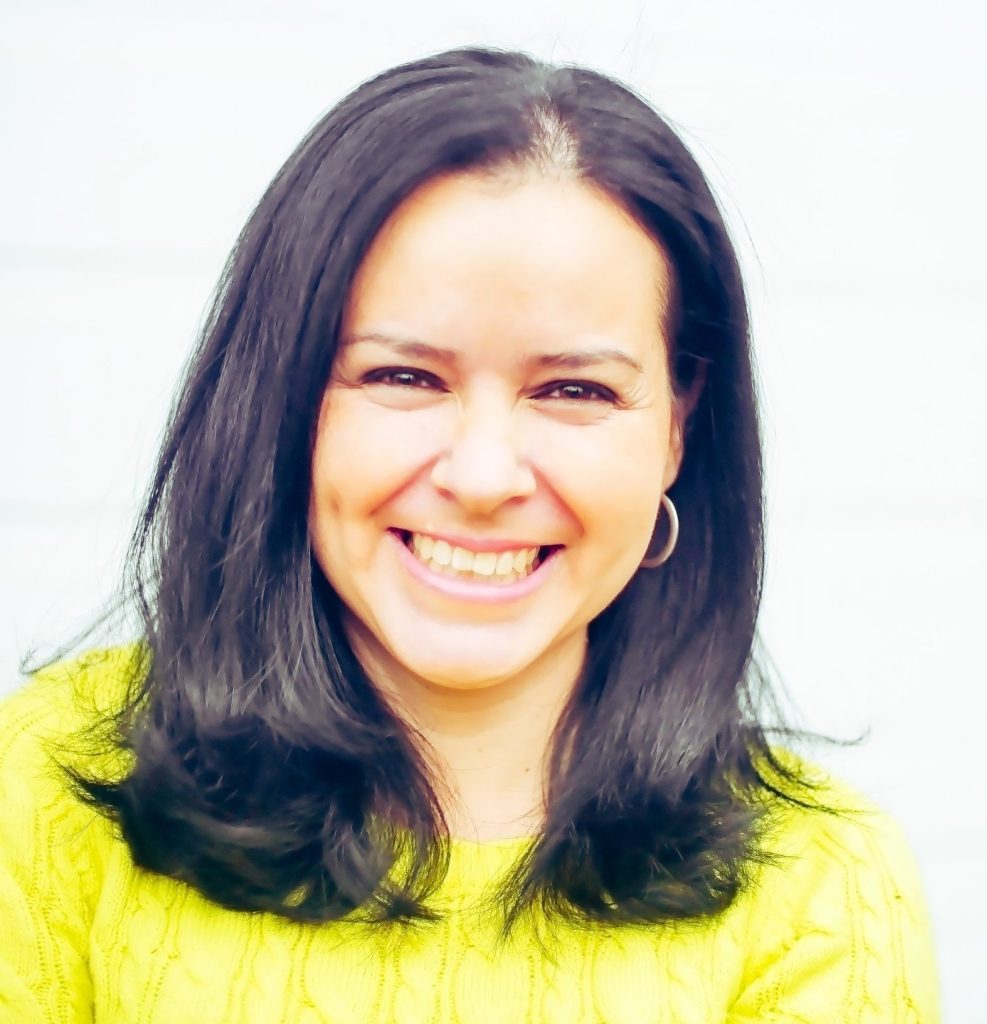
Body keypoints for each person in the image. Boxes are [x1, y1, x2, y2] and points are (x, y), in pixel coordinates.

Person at [0, 46, 939, 1022]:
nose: (485, 478)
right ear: (282, 399)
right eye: (402, 377)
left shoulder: (825, 890)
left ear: (675, 425)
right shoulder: (43, 789)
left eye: (575, 389)